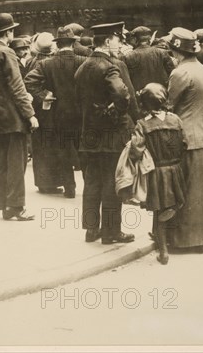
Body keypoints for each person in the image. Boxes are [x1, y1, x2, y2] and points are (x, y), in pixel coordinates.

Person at [75, 21, 135, 245]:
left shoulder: (83, 67)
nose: (120, 44)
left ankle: (91, 229)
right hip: (110, 135)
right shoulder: (110, 66)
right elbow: (122, 94)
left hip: (89, 135)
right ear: (108, 41)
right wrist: (117, 112)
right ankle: (111, 232)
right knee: (111, 182)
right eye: (118, 39)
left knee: (92, 182)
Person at [166, 27, 203, 251]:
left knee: (183, 190)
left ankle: (181, 239)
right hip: (202, 134)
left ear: (177, 51)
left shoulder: (179, 73)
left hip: (184, 137)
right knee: (202, 191)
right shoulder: (202, 70)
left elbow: (170, 104)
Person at [0, 13, 38, 221]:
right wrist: (30, 114)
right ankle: (17, 206)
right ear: (8, 32)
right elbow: (16, 86)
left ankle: (5, 205)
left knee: (1, 162)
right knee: (16, 162)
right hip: (12, 116)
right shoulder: (7, 53)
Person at [25, 26, 87, 197]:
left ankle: (70, 189)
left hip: (58, 115)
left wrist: (43, 95)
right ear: (73, 43)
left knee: (64, 150)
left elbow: (29, 81)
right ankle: (89, 187)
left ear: (58, 44)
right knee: (84, 151)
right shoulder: (83, 61)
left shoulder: (46, 64)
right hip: (81, 114)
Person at [129, 83, 187, 265]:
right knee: (170, 205)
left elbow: (136, 151)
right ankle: (165, 239)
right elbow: (185, 143)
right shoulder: (176, 120)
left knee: (159, 209)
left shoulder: (143, 124)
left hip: (156, 172)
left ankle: (163, 252)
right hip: (175, 170)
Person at [121, 26, 175, 91]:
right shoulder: (162, 53)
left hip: (140, 97)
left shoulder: (128, 56)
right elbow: (172, 75)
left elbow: (126, 81)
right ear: (149, 39)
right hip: (161, 96)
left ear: (135, 39)